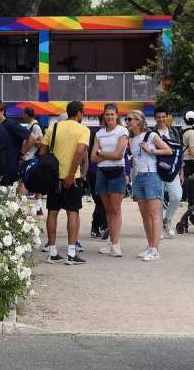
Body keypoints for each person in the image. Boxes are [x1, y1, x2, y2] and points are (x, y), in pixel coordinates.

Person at [39, 101, 90, 265]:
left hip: (53, 178)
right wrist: (70, 175)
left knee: (52, 212)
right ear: (80, 113)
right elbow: (80, 152)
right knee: (73, 212)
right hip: (71, 178)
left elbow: (42, 152)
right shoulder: (83, 130)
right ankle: (71, 253)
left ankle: (52, 252)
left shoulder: (53, 128)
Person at [126, 110, 173, 262]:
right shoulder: (131, 139)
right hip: (138, 177)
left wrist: (150, 150)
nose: (127, 122)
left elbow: (168, 150)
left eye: (129, 119)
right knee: (145, 215)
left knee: (154, 214)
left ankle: (155, 249)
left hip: (152, 176)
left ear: (138, 121)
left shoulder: (151, 135)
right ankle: (150, 245)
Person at [91, 103, 129, 257]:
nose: (109, 117)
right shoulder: (99, 133)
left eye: (112, 114)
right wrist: (105, 154)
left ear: (117, 115)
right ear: (104, 116)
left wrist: (101, 152)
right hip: (102, 173)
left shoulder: (122, 131)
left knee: (116, 209)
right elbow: (93, 157)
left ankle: (116, 244)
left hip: (117, 172)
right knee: (108, 210)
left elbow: (119, 155)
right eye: (107, 114)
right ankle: (110, 242)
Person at [153, 106, 183, 239]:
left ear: (167, 117)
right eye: (158, 117)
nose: (161, 119)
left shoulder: (174, 132)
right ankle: (158, 228)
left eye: (163, 117)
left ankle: (167, 220)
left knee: (176, 196)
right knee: (158, 200)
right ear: (155, 118)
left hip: (172, 171)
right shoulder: (151, 133)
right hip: (156, 171)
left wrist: (181, 171)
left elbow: (179, 152)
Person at [0, 100, 36, 186]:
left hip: (9, 167)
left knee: (7, 193)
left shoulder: (11, 124)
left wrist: (21, 153)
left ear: (2, 110)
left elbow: (32, 138)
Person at [22, 107, 45, 214]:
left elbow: (42, 142)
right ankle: (38, 207)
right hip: (28, 157)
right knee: (35, 182)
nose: (22, 116)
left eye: (23, 114)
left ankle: (23, 206)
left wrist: (32, 142)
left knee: (25, 182)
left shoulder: (35, 126)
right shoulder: (30, 126)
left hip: (32, 158)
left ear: (26, 115)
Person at [178, 111, 194, 233]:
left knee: (191, 195)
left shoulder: (183, 131)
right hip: (191, 163)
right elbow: (192, 151)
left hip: (187, 164)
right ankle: (186, 220)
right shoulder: (191, 133)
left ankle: (187, 221)